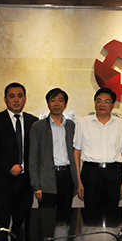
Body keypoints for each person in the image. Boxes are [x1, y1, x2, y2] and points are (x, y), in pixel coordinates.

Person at [73, 87, 122, 208]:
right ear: (94, 103)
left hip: (114, 173)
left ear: (113, 105)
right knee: (90, 212)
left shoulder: (121, 124)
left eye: (107, 101)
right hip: (90, 172)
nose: (102, 105)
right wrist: (78, 181)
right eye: (99, 101)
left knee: (112, 212)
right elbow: (76, 152)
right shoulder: (83, 123)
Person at [0, 82, 37, 229]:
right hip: (2, 182)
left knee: (22, 225)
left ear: (25, 99)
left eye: (20, 96)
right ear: (5, 99)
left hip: (26, 183)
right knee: (1, 224)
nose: (16, 100)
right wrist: (9, 168)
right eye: (12, 96)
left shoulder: (33, 122)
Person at [28, 88, 78, 217]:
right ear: (48, 104)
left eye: (60, 100)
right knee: (47, 218)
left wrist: (76, 182)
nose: (57, 104)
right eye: (53, 100)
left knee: (65, 216)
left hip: (66, 176)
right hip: (46, 178)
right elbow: (33, 158)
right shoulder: (38, 127)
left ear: (65, 104)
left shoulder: (71, 126)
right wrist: (36, 186)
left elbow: (76, 154)